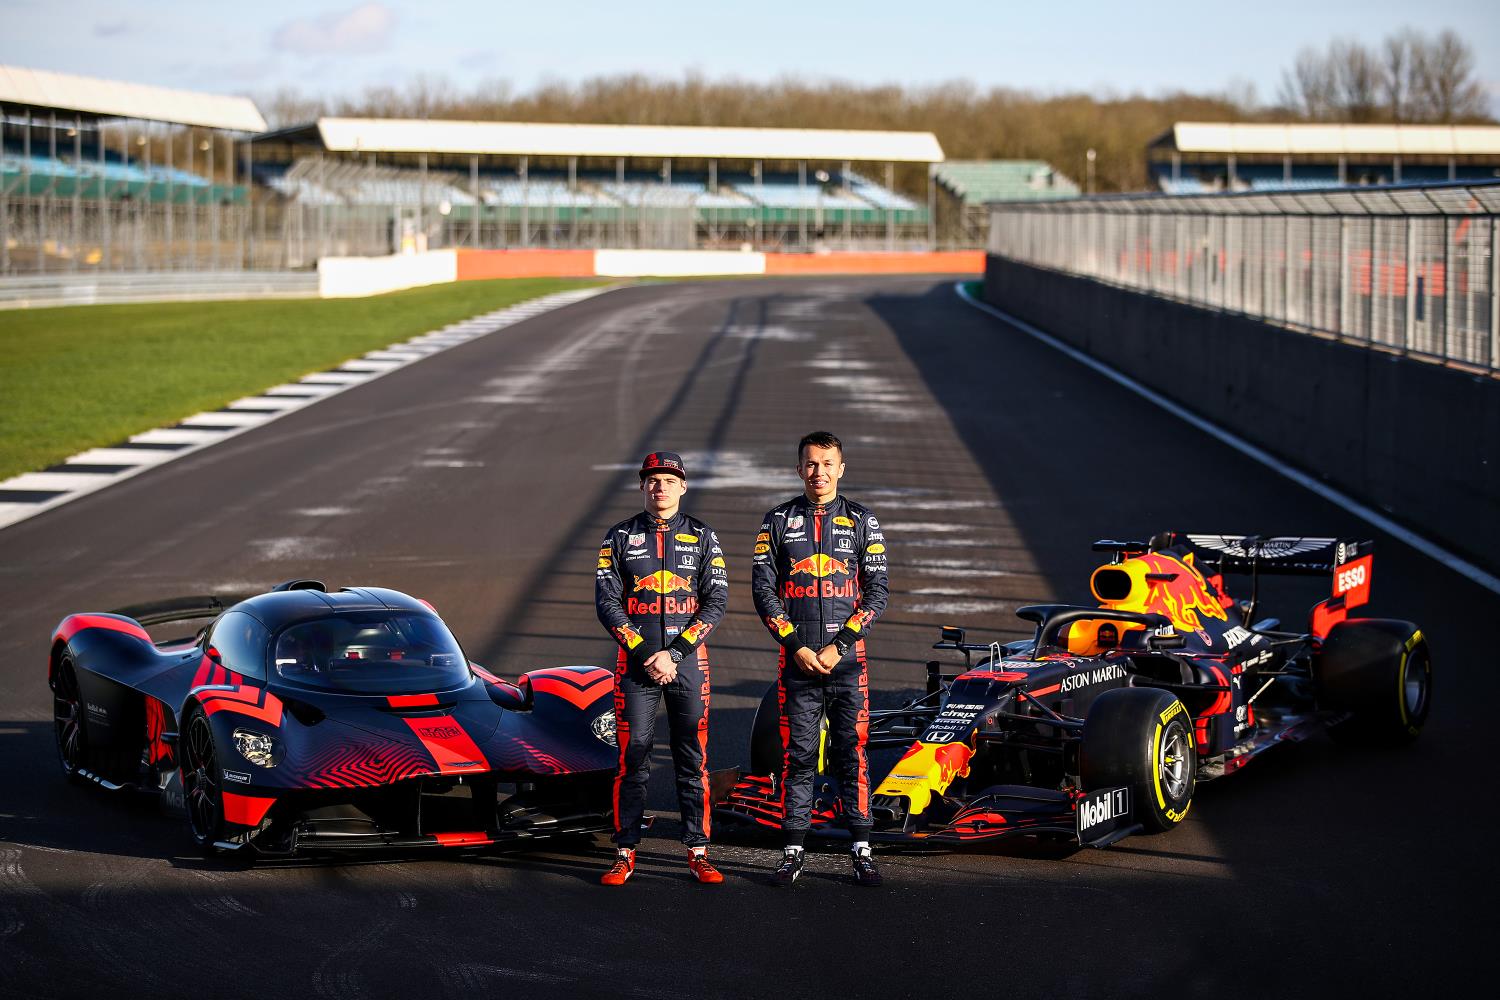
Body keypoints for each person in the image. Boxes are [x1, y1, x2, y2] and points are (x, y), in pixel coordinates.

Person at [751, 431, 889, 887]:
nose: (819, 473)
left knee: (854, 753)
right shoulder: (776, 522)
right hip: (797, 661)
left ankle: (862, 848)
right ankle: (792, 850)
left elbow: (877, 593)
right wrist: (799, 646)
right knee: (799, 755)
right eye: (811, 464)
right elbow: (763, 592)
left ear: (841, 468)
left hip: (848, 663)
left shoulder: (864, 522)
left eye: (828, 463)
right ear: (798, 469)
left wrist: (839, 645)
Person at [594, 451, 729, 885]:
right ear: (642, 486)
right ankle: (624, 850)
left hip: (689, 662)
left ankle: (698, 850)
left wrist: (674, 653)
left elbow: (716, 601)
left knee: (693, 757)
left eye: (670, 480)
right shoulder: (618, 537)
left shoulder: (703, 536)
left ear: (683, 487)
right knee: (633, 758)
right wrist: (642, 650)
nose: (661, 487)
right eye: (653, 480)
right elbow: (607, 602)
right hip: (635, 664)